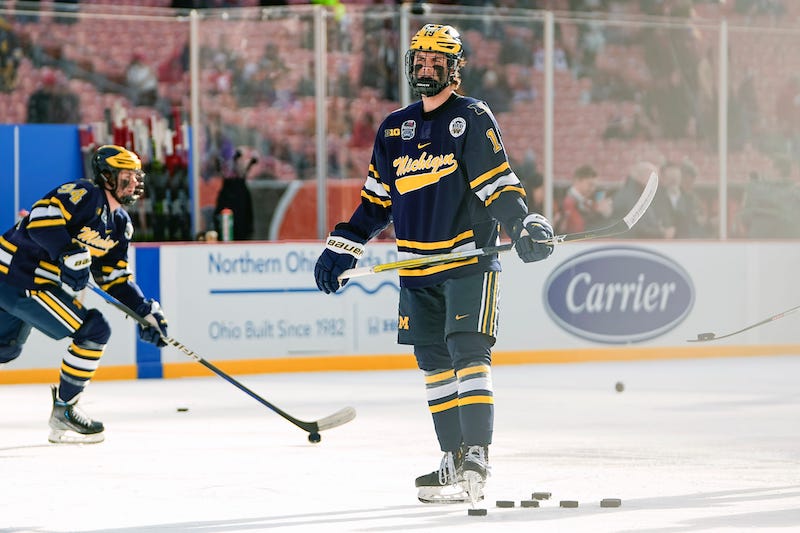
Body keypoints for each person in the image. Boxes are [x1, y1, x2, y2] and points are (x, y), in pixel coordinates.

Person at [313, 24, 555, 505]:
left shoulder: (472, 117)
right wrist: (344, 245)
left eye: (436, 61)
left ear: (454, 68)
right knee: (434, 366)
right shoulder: (394, 127)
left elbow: (498, 186)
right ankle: (452, 457)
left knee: (468, 354)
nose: (425, 68)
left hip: (468, 263)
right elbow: (377, 202)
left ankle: (477, 459)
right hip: (417, 270)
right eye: (419, 60)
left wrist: (522, 224)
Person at [0, 145, 168, 444]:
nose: (134, 184)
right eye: (126, 177)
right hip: (20, 276)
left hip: (21, 282)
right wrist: (69, 252)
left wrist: (145, 312)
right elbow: (41, 219)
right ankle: (65, 410)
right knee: (94, 330)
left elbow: (114, 278)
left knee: (6, 349)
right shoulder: (84, 194)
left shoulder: (119, 225)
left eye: (136, 177)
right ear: (106, 176)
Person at [557, 164, 612, 234]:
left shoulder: (586, 202)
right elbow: (579, 227)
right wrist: (599, 214)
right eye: (590, 184)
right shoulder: (567, 202)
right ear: (577, 181)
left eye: (594, 186)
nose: (593, 189)